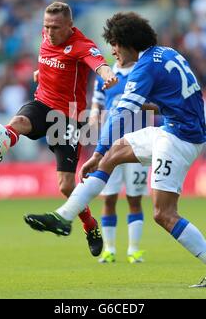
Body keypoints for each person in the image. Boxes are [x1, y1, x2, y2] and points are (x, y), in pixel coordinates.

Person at [25, 12, 206, 288]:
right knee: (115, 154)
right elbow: (180, 96)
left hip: (178, 139)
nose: (111, 50)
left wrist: (97, 151)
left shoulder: (144, 67)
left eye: (114, 43)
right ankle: (63, 217)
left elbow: (121, 114)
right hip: (175, 128)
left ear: (127, 43)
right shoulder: (167, 53)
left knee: (163, 214)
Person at [3, 2, 117, 257]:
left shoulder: (81, 45)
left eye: (55, 27)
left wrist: (107, 73)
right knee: (16, 124)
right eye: (46, 26)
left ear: (69, 26)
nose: (50, 31)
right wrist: (40, 72)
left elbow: (98, 63)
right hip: (42, 103)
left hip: (68, 117)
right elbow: (50, 61)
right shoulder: (46, 37)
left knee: (66, 185)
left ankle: (90, 226)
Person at [90, 58, 150, 264]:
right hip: (110, 146)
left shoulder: (141, 73)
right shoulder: (104, 76)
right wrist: (94, 115)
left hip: (137, 146)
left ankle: (134, 250)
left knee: (134, 199)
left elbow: (151, 104)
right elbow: (97, 102)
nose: (116, 51)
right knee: (109, 198)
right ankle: (110, 249)